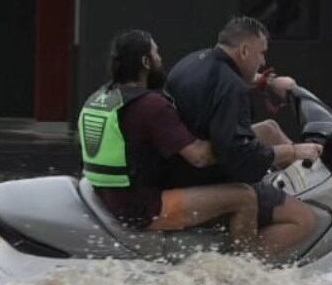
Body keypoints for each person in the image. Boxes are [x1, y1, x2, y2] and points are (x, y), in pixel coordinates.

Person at [79, 29, 257, 248]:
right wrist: (238, 146)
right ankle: (246, 272)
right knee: (245, 198)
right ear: (146, 61)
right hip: (142, 209)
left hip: (107, 197)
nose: (160, 59)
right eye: (156, 53)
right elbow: (200, 157)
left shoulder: (100, 97)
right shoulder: (150, 106)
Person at [165, 16, 323, 259]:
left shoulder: (193, 61)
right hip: (201, 179)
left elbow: (226, 83)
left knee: (269, 129)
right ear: (245, 50)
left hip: (177, 162)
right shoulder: (232, 89)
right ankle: (243, 269)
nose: (264, 60)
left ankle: (311, 181)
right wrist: (294, 151)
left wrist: (268, 81)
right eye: (261, 54)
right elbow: (241, 159)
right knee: (303, 219)